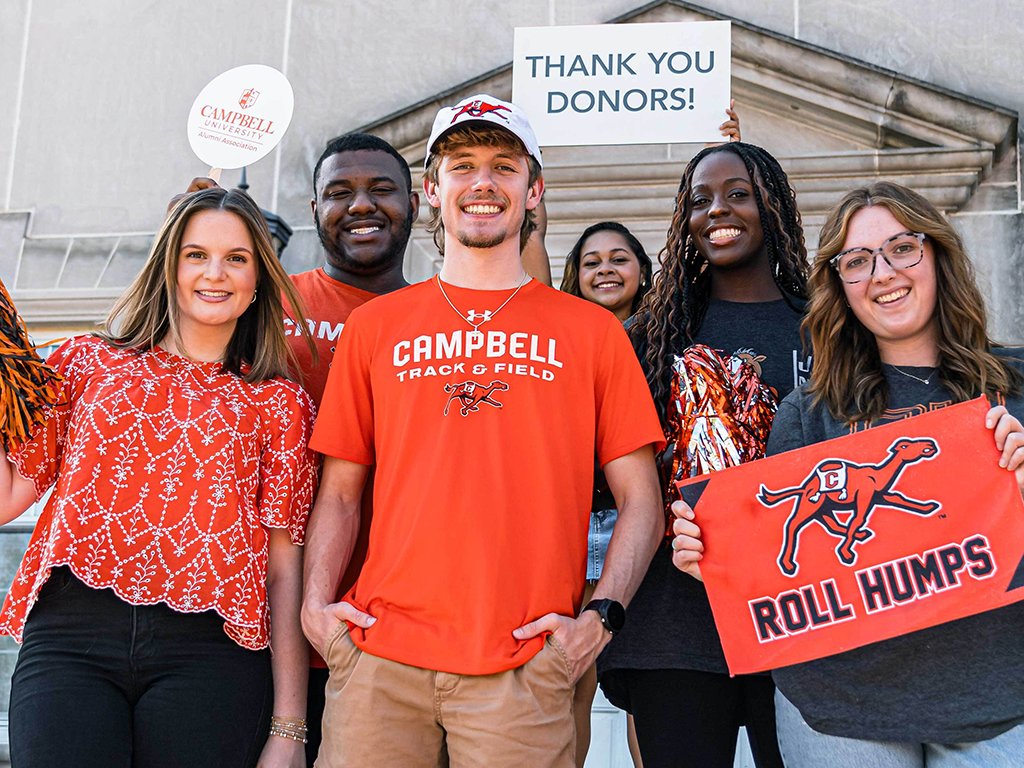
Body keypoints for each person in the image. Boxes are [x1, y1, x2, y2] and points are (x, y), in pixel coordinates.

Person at [301, 93, 665, 768]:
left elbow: (641, 497)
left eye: (504, 165)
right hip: (380, 660)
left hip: (526, 666)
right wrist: (317, 609)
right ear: (433, 192)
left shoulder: (591, 333)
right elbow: (341, 492)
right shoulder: (375, 328)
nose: (483, 182)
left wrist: (601, 618)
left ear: (534, 191)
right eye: (462, 164)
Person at [0, 186, 318, 768]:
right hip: (72, 639)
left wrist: (289, 728)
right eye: (196, 254)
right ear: (168, 265)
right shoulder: (84, 364)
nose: (214, 273)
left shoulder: (279, 406)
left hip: (212, 655)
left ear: (258, 282)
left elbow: (282, 572)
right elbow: (6, 497)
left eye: (237, 257)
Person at [759, 181, 1024, 765]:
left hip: (999, 699)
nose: (882, 273)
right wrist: (717, 549)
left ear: (936, 255)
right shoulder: (806, 413)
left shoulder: (1018, 382)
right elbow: (771, 569)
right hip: (843, 707)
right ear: (839, 285)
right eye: (856, 260)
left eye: (902, 248)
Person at [182, 133, 422, 765]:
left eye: (381, 189)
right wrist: (190, 240)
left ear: (416, 204)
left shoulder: (443, 321)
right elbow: (173, 368)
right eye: (339, 192)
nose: (361, 205)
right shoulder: (265, 302)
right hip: (252, 618)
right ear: (314, 208)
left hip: (392, 618)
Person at [598, 142, 811, 768]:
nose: (718, 210)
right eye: (700, 200)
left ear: (774, 204)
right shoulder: (649, 338)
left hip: (801, 621)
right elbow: (611, 480)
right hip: (676, 626)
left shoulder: (827, 327)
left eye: (738, 193)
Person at [560, 221, 653, 767]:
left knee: (645, 680)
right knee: (572, 672)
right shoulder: (561, 336)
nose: (605, 270)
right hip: (575, 522)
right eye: (591, 262)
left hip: (635, 523)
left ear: (643, 272)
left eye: (619, 259)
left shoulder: (665, 336)